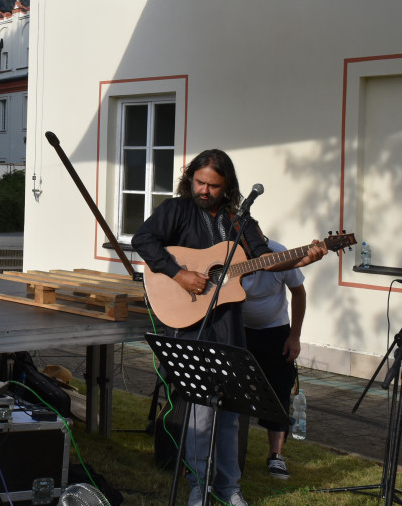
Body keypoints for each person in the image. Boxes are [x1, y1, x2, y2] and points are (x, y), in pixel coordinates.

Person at [131, 149, 325, 506]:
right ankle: (197, 485)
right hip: (192, 326)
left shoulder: (240, 221)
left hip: (230, 328)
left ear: (227, 187)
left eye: (213, 186)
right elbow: (143, 241)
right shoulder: (176, 210)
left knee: (231, 412)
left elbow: (265, 259)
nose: (204, 190)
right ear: (190, 177)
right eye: (199, 182)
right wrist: (180, 273)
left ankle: (229, 488)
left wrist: (304, 257)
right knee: (202, 412)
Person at [241, 239, 306, 480]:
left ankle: (275, 455)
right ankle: (228, 447)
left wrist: (295, 336)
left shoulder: (279, 255)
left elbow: (299, 292)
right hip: (236, 328)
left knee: (278, 390)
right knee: (230, 389)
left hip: (274, 330)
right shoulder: (227, 252)